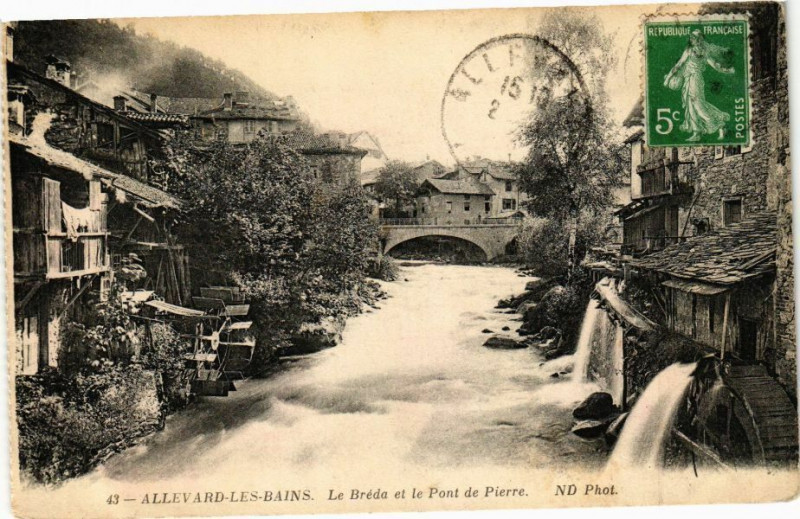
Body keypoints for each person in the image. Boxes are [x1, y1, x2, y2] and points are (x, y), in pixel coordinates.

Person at [663, 29, 735, 141]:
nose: (691, 39)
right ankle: (697, 132)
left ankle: (718, 124)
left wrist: (727, 71)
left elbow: (715, 65)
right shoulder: (689, 50)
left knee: (698, 104)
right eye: (691, 38)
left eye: (694, 38)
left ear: (699, 39)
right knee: (691, 105)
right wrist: (668, 78)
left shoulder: (704, 52)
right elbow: (679, 65)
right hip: (688, 79)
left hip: (696, 79)